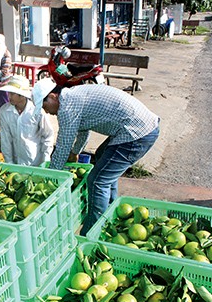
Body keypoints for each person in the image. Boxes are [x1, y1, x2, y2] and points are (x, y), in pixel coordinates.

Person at [32, 79, 160, 236]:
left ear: (52, 96)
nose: (46, 112)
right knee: (102, 159)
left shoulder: (66, 107)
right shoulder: (73, 96)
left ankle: (92, 232)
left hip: (137, 133)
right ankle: (111, 209)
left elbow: (62, 147)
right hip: (137, 127)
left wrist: (51, 178)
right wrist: (76, 152)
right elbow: (84, 130)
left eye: (45, 106)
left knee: (97, 180)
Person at [0, 75, 54, 166]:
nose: (9, 96)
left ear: (22, 96)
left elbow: (47, 135)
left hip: (35, 161)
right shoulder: (5, 111)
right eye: (9, 93)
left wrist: (45, 159)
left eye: (12, 94)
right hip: (16, 162)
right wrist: (9, 162)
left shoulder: (37, 111)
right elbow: (6, 139)